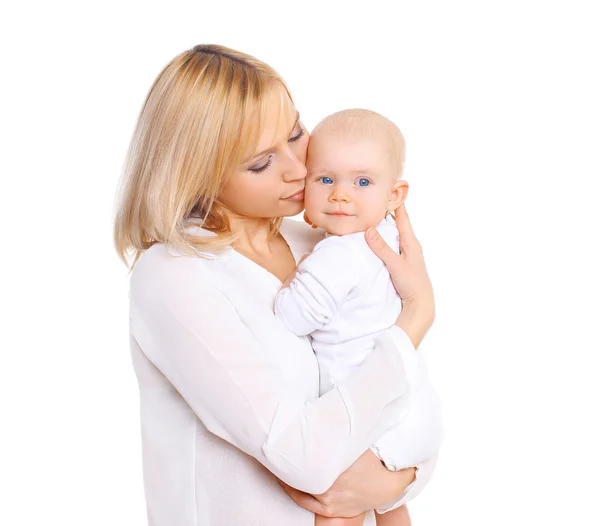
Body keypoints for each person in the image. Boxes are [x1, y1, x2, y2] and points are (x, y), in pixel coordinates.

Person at [113, 44, 438, 526]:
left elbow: (409, 403)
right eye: (261, 163)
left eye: (296, 134)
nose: (298, 169)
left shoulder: (323, 238)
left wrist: (402, 481)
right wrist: (416, 316)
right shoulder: (174, 276)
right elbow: (302, 456)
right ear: (198, 175)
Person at [274, 109, 443, 526]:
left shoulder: (337, 254)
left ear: (395, 195)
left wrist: (287, 281)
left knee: (339, 510)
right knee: (389, 509)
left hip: (370, 411)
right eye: (325, 179)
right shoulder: (386, 237)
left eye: (362, 182)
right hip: (412, 407)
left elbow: (293, 317)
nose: (340, 195)